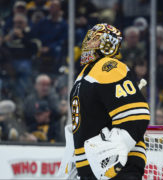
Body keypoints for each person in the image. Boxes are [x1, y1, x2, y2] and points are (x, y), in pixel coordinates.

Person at [61, 24, 150, 180]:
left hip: (116, 170)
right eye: (89, 39)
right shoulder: (84, 75)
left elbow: (137, 115)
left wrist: (114, 155)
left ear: (107, 44)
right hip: (93, 172)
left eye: (94, 40)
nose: (88, 44)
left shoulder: (109, 67)